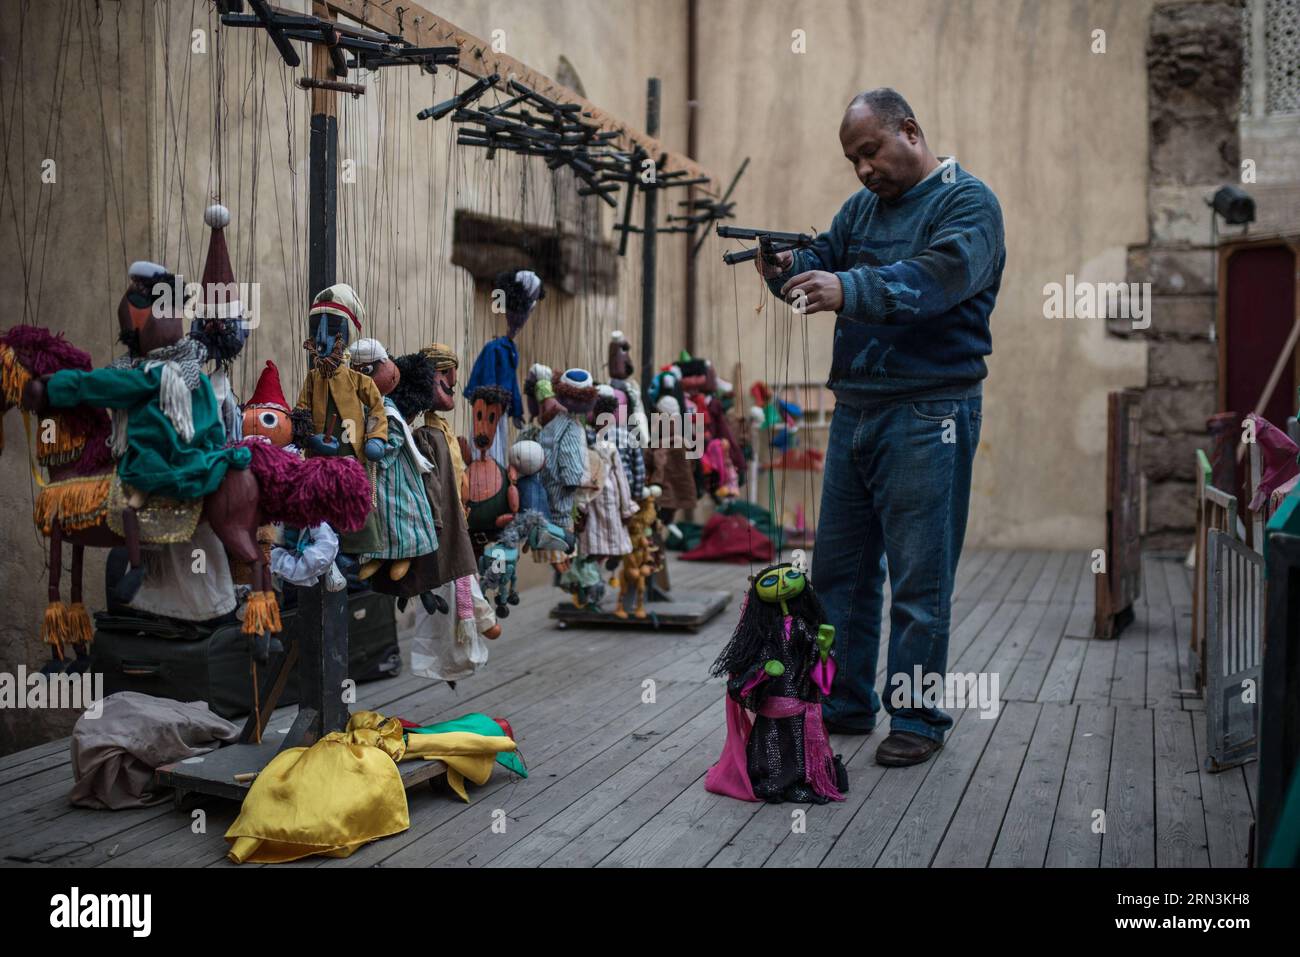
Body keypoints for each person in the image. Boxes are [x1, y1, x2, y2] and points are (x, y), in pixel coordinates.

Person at [758, 88, 1005, 766]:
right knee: (841, 572)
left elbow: (936, 279)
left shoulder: (968, 203)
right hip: (857, 407)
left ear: (911, 131)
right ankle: (842, 701)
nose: (864, 169)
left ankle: (918, 717)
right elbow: (823, 259)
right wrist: (787, 268)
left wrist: (848, 286)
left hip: (932, 413)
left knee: (920, 578)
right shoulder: (861, 210)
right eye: (852, 159)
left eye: (871, 151)